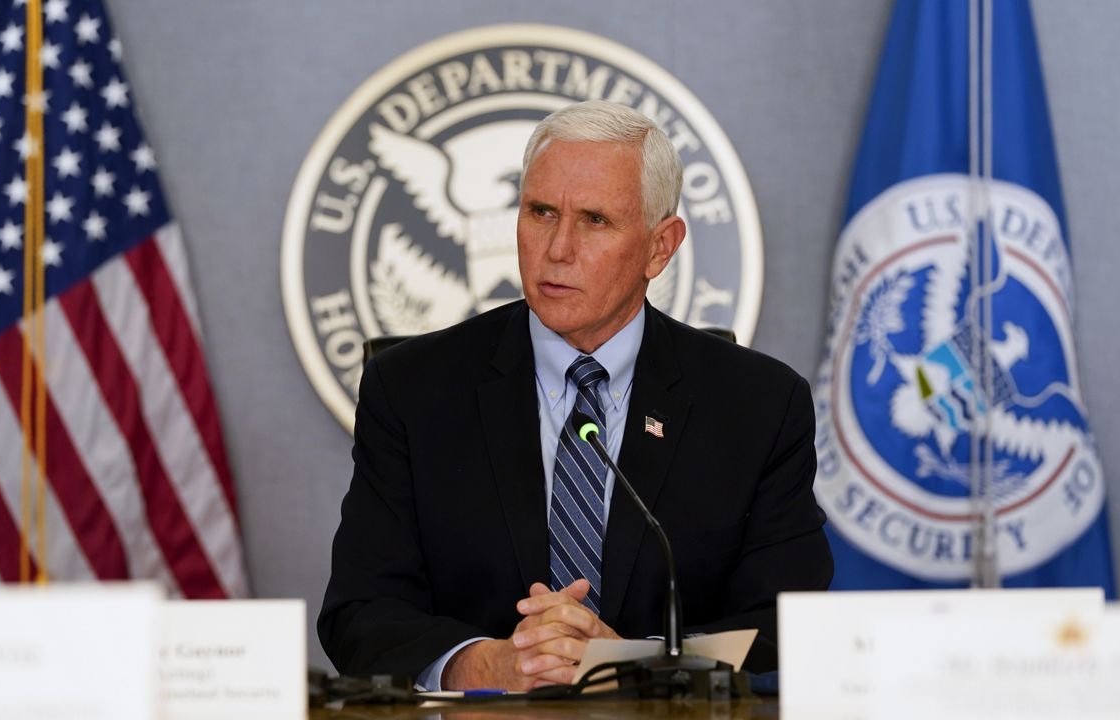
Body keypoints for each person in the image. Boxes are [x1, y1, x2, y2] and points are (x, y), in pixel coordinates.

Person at [317, 100, 832, 691]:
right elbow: (360, 612)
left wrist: (639, 664)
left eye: (594, 220)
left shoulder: (759, 406)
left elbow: (788, 626)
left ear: (660, 248)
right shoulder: (412, 389)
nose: (557, 249)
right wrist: (485, 664)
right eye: (540, 212)